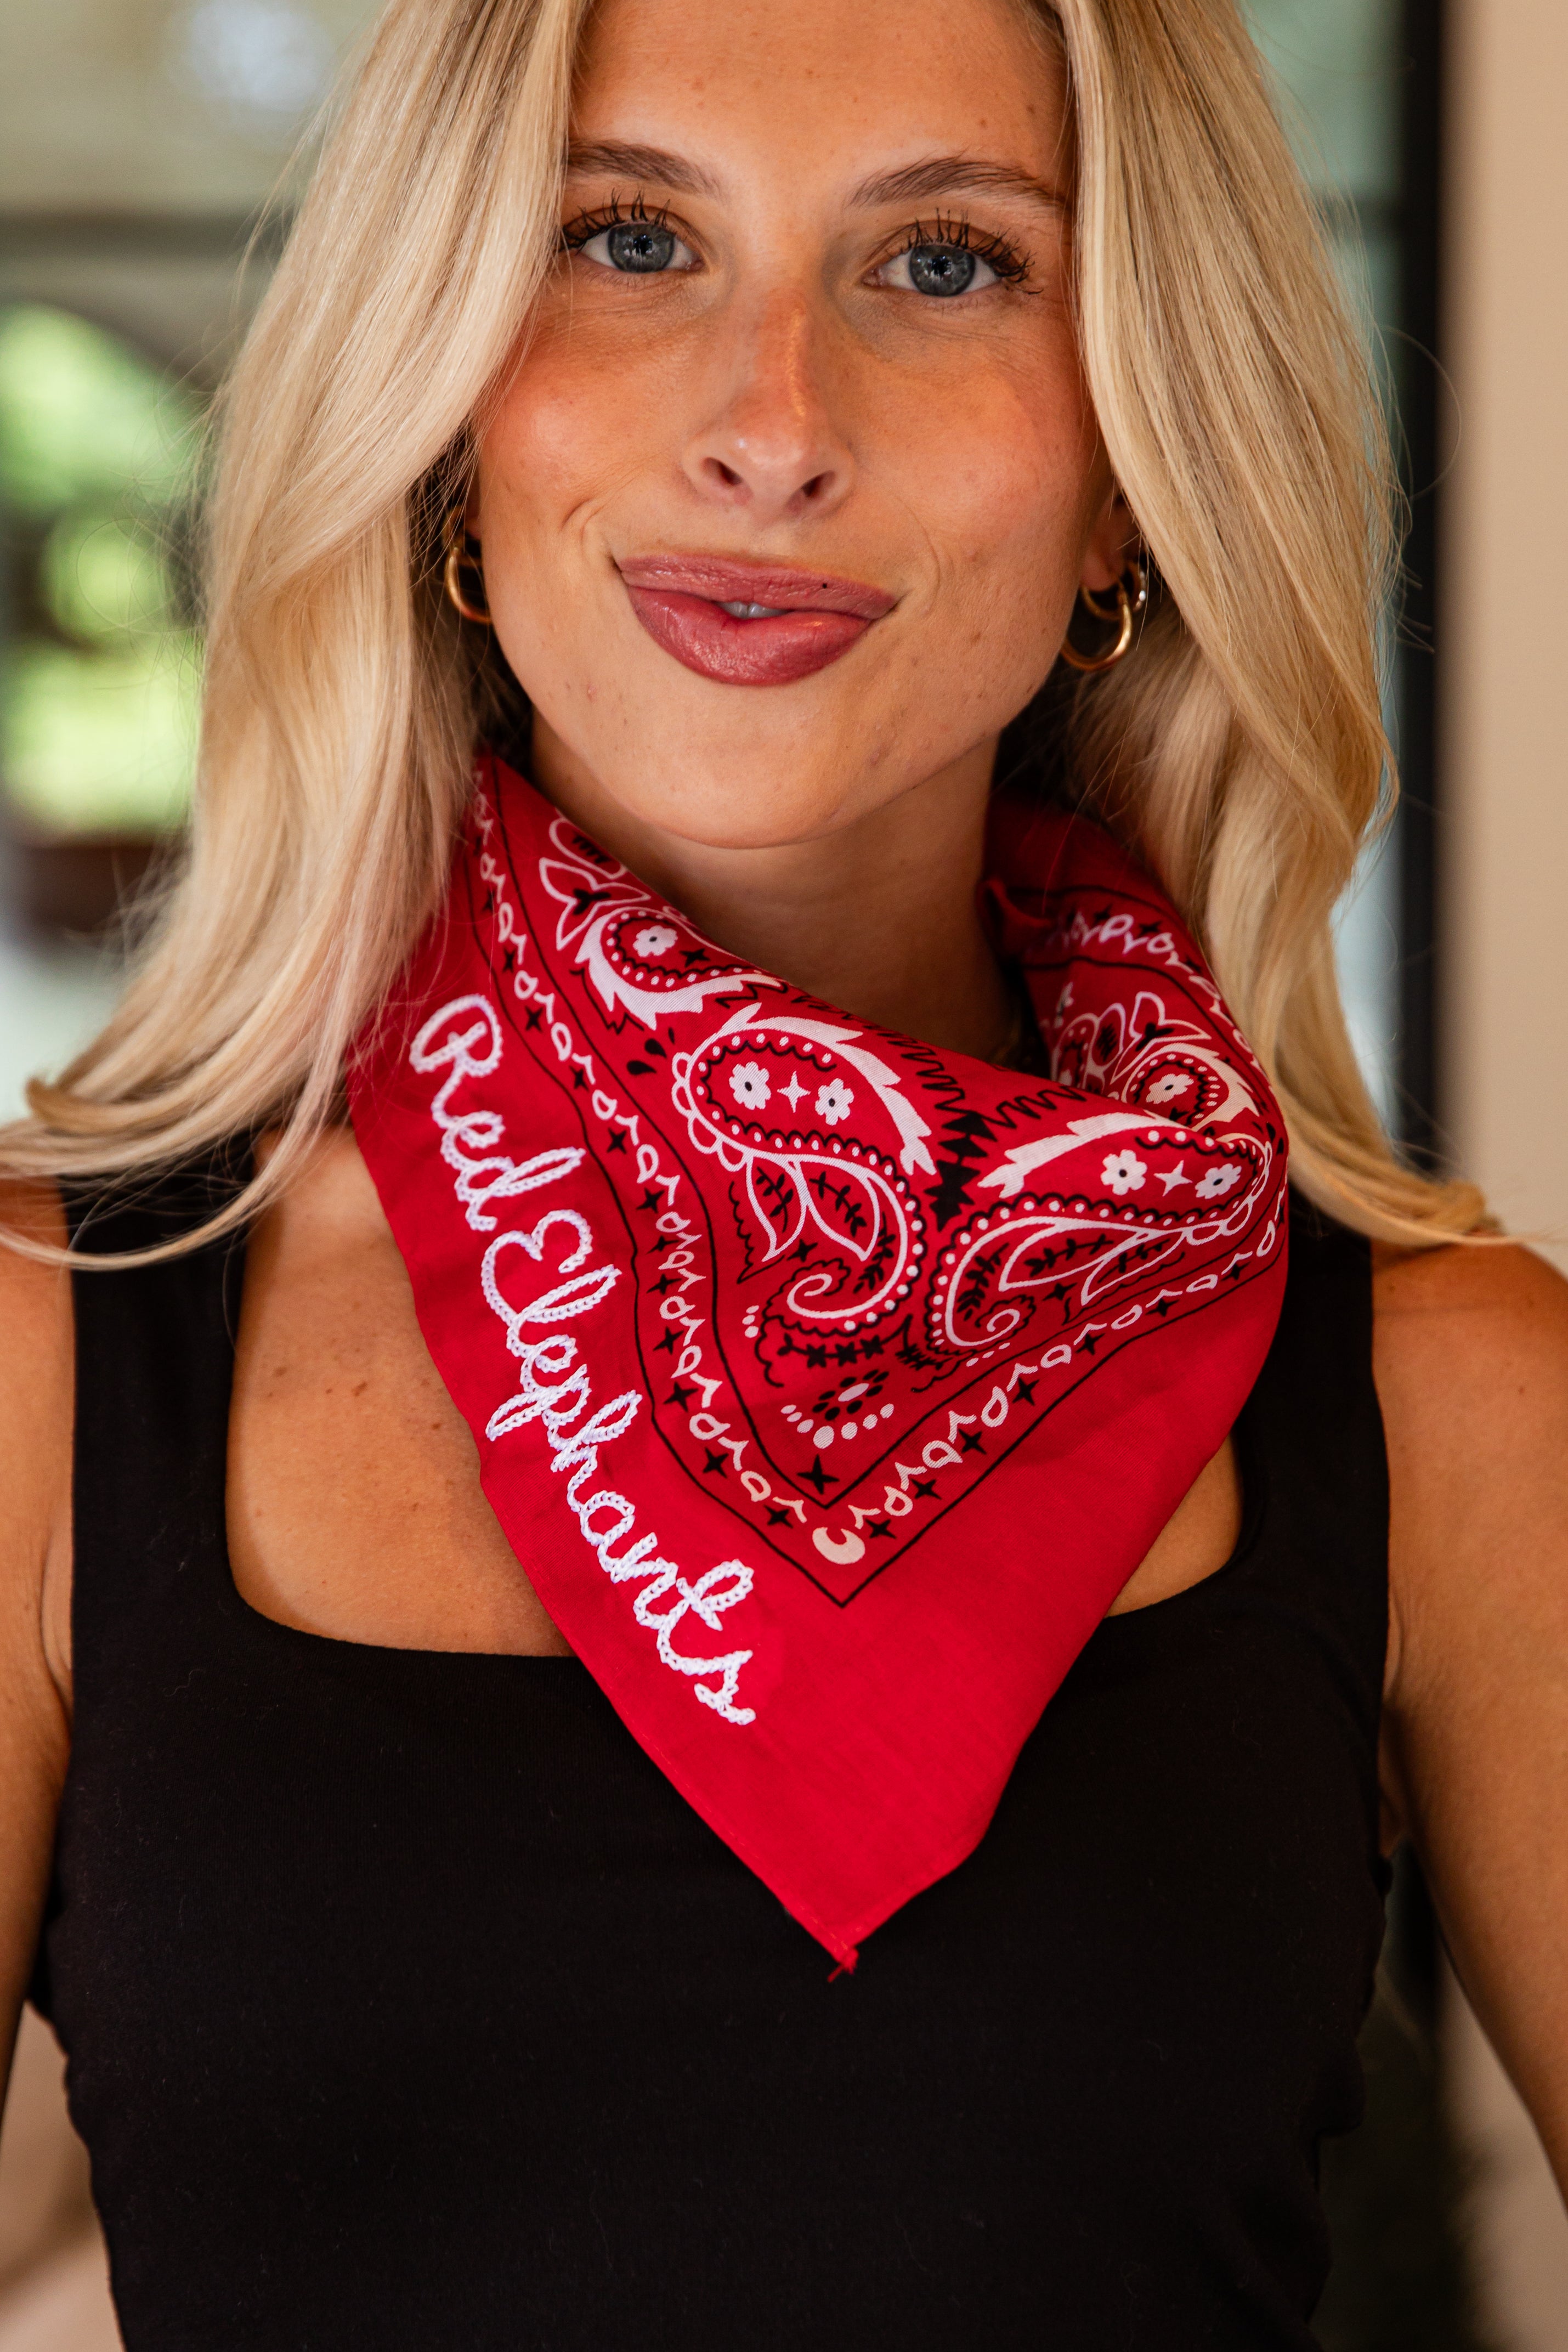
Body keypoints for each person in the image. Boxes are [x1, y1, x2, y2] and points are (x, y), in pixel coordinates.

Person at [2, 0, 1565, 2341]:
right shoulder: (48, 1342)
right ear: (442, 413)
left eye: (947, 265)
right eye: (625, 238)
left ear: (1134, 462)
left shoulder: (1441, 1390)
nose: (771, 427)